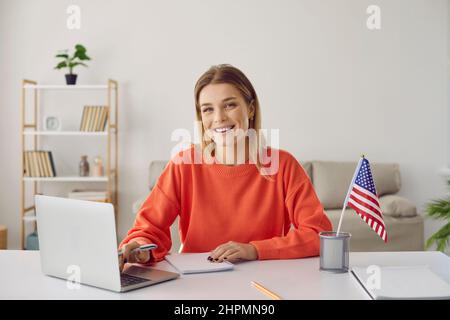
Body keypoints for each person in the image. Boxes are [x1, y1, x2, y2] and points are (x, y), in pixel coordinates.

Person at [118, 64, 332, 272]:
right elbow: (148, 229)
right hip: (197, 283)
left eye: (229, 105)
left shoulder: (283, 165)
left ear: (250, 108)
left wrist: (254, 250)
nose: (218, 117)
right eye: (208, 109)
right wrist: (139, 248)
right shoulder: (183, 165)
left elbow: (318, 235)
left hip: (265, 278)